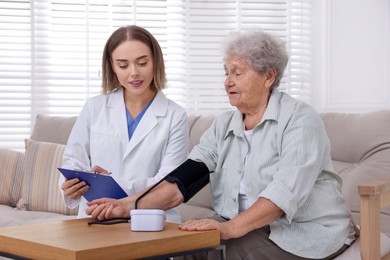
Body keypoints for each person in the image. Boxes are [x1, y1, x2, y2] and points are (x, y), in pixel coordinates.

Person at [86, 29, 357, 259]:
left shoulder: (300, 119)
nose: (227, 82)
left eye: (237, 73)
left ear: (269, 76)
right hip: (246, 227)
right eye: (226, 72)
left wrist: (228, 229)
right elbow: (182, 181)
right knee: (186, 245)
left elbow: (282, 194)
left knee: (232, 246)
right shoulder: (224, 124)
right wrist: (128, 205)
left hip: (306, 231)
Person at [59, 25, 189, 223]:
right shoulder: (94, 107)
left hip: (149, 218)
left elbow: (168, 183)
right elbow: (73, 160)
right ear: (112, 66)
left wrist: (111, 184)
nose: (134, 73)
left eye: (142, 62)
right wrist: (71, 186)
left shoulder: (175, 115)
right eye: (123, 65)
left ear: (156, 62)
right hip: (95, 215)